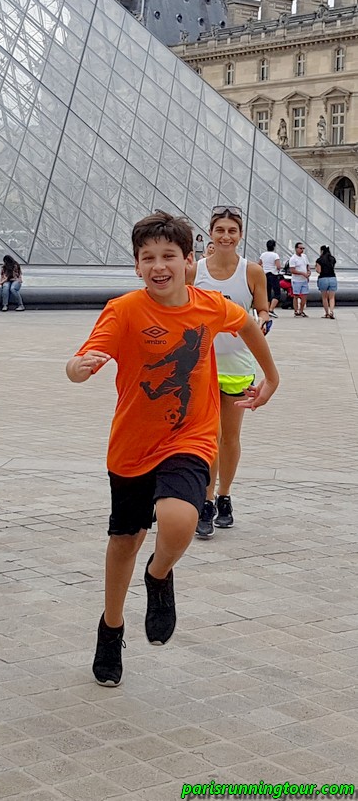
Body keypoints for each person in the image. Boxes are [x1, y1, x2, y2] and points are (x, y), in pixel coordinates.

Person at [67, 211, 279, 687]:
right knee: (124, 541)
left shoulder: (208, 304)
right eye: (148, 258)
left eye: (169, 256)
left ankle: (159, 573)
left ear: (189, 261)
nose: (159, 266)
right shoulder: (123, 310)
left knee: (180, 517)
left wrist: (273, 376)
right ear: (137, 265)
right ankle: (111, 626)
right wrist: (78, 367)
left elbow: (247, 323)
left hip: (190, 437)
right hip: (130, 447)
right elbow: (83, 357)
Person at [189, 205, 270, 538]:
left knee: (231, 438)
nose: (225, 236)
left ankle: (225, 496)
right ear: (211, 232)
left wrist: (264, 321)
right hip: (202, 365)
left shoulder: (252, 272)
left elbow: (262, 309)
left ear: (240, 235)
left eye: (232, 231)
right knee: (211, 436)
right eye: (219, 230)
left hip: (237, 365)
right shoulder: (194, 271)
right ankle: (206, 501)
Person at [259, 239, 282, 317]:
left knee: (267, 293)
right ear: (274, 247)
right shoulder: (275, 255)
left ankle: (267, 309)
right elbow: (278, 266)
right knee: (277, 293)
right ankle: (271, 309)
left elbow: (259, 264)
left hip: (264, 275)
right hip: (273, 275)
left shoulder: (263, 254)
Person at [288, 242, 311, 317]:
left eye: (303, 248)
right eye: (300, 248)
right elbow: (292, 270)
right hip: (296, 280)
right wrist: (302, 273)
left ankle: (301, 310)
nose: (302, 250)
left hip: (304, 280)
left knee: (304, 295)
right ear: (296, 249)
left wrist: (308, 271)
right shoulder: (293, 259)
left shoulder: (304, 256)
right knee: (296, 296)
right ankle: (296, 310)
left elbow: (307, 265)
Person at [316, 245, 337, 319]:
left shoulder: (319, 260)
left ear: (322, 251)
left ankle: (327, 313)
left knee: (324, 297)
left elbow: (319, 271)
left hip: (323, 278)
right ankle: (331, 311)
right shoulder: (333, 259)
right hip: (332, 278)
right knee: (331, 297)